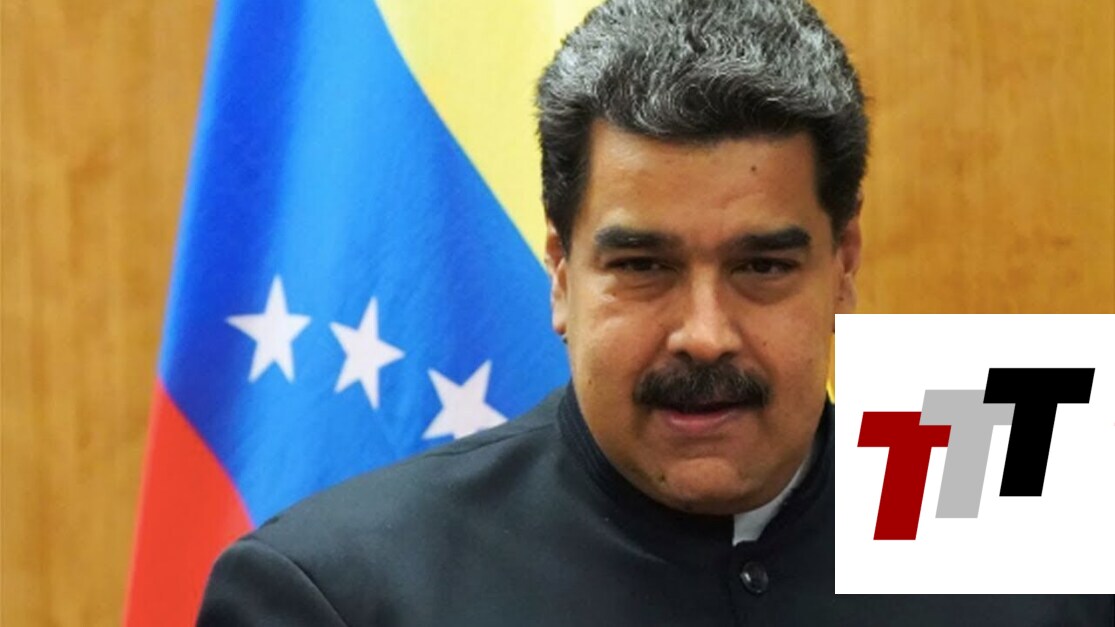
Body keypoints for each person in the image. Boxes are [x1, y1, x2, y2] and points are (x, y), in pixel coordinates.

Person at [198, 1, 1114, 624]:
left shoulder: (1039, 497)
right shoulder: (339, 590)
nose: (704, 333)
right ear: (561, 274)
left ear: (842, 268)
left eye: (762, 266)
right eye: (642, 267)